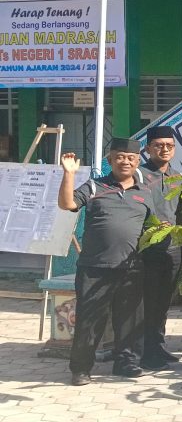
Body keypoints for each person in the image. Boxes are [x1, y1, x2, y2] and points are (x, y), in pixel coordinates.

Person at [57, 139, 153, 386]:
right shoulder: (94, 187)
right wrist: (68, 174)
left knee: (130, 318)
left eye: (131, 158)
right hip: (94, 268)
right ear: (110, 160)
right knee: (90, 320)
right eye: (120, 157)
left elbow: (153, 226)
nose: (125, 161)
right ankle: (81, 368)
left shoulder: (145, 192)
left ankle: (127, 362)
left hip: (131, 267)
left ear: (137, 161)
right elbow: (67, 204)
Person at [137, 126, 182, 370]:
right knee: (148, 300)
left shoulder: (178, 176)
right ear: (148, 149)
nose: (164, 149)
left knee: (164, 300)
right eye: (159, 145)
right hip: (148, 249)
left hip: (174, 247)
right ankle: (145, 351)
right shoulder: (139, 175)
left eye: (169, 145)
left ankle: (159, 346)